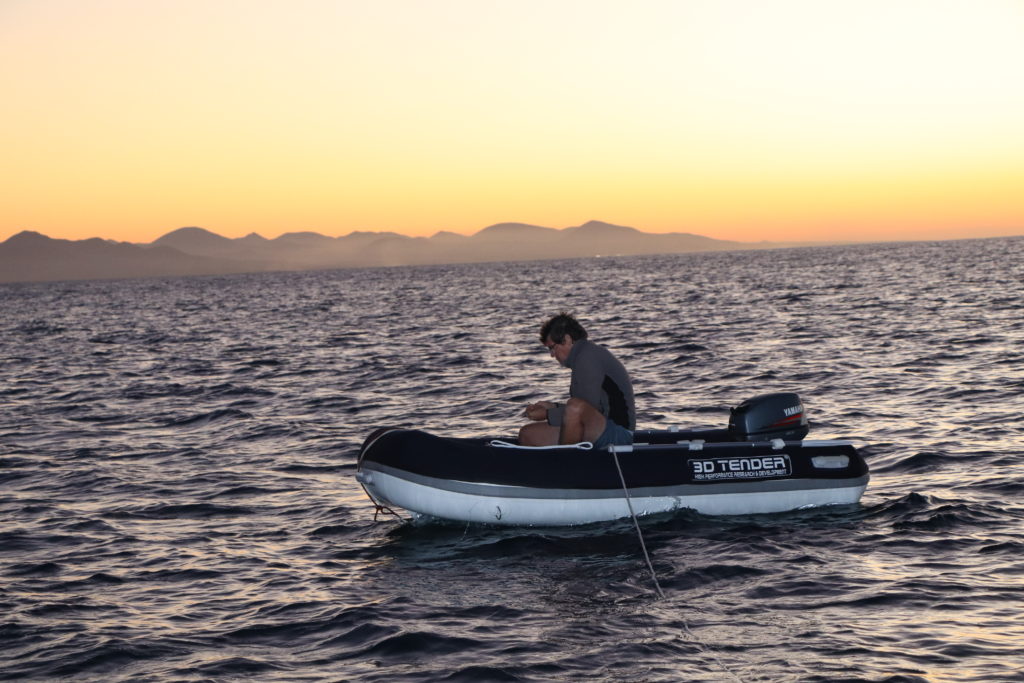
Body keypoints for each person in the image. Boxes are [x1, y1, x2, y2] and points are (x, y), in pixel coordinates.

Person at [519, 312, 635, 448]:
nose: (552, 355)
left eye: (552, 348)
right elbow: (583, 410)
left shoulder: (588, 356)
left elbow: (581, 410)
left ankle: (569, 460)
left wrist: (547, 414)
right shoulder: (583, 356)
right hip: (598, 427)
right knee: (528, 434)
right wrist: (552, 407)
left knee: (575, 406)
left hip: (618, 433)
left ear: (567, 339)